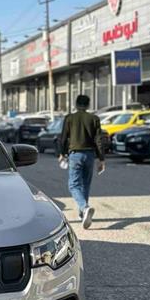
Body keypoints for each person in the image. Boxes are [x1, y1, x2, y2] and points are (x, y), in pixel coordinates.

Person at [58, 94, 105, 228]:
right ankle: (82, 214)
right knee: (85, 184)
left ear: (76, 104)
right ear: (88, 105)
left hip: (75, 154)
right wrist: (101, 159)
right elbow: (99, 140)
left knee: (73, 185)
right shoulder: (94, 118)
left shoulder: (70, 118)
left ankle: (84, 208)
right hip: (90, 155)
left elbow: (63, 138)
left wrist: (61, 153)